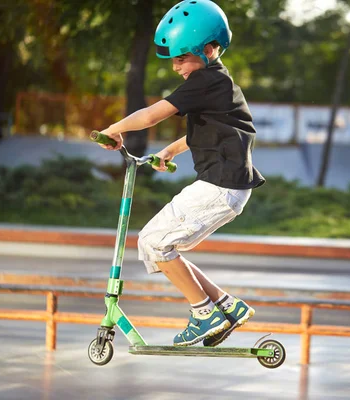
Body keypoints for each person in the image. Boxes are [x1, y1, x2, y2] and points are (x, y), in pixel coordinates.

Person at [97, 0, 265, 347]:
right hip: (227, 187)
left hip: (219, 187)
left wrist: (115, 128)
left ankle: (204, 313)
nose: (176, 67)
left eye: (182, 57)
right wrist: (170, 151)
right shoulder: (219, 84)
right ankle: (225, 306)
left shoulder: (205, 80)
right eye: (173, 59)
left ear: (208, 50)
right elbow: (210, 131)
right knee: (161, 245)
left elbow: (151, 115)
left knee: (154, 242)